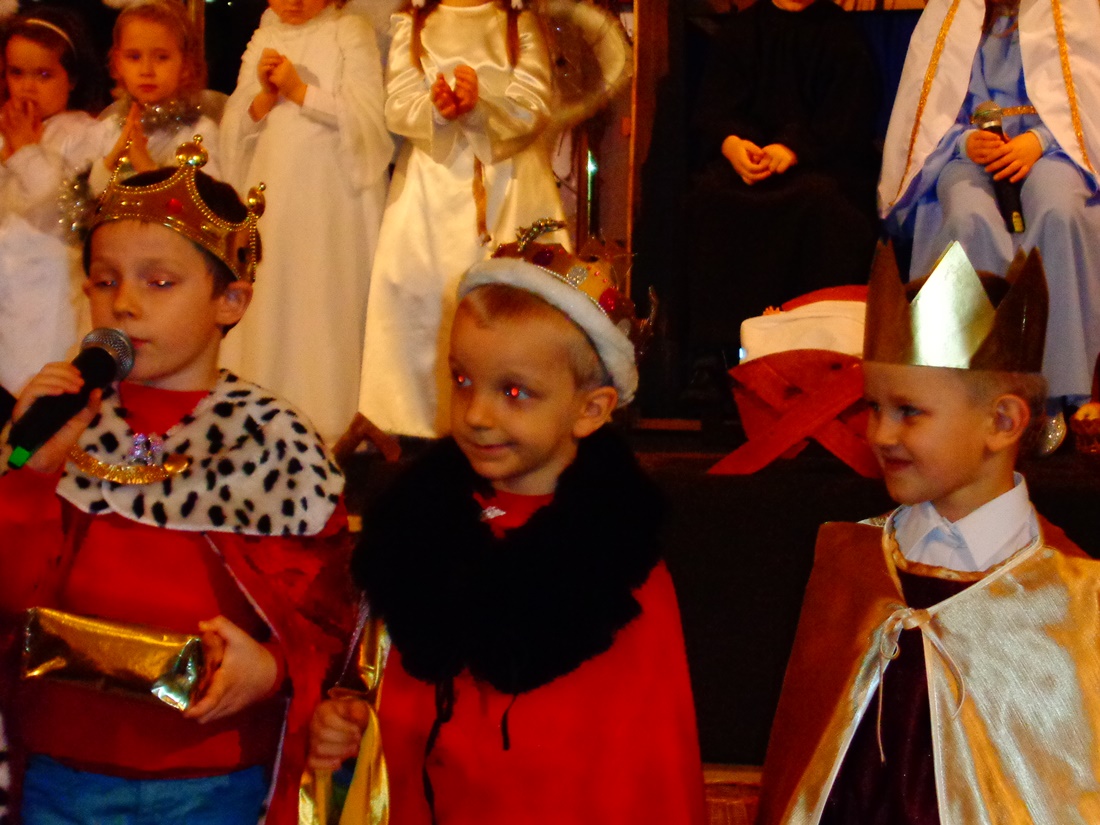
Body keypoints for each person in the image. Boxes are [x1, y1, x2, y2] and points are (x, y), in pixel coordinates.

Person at [0, 141, 356, 825]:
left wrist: (273, 667)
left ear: (231, 299)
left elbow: (327, 615)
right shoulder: (64, 421)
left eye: (159, 282)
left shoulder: (272, 440)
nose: (125, 304)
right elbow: (13, 598)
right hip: (62, 768)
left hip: (213, 778)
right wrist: (29, 474)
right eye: (104, 280)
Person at [309, 220, 706, 824]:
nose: (476, 414)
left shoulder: (613, 572)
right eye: (462, 380)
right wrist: (358, 727)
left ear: (590, 409)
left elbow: (646, 769)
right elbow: (399, 703)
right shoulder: (419, 540)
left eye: (514, 392)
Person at [754, 241, 1100, 823]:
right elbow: (801, 773)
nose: (880, 434)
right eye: (873, 407)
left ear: (1002, 421)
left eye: (909, 411)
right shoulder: (850, 563)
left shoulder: (1075, 599)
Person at [355, 0, 568, 440]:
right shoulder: (413, 24)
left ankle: (515, 412)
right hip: (430, 187)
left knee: (510, 302)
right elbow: (398, 104)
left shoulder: (518, 24)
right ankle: (414, 421)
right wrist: (438, 108)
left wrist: (479, 108)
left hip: (509, 183)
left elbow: (533, 103)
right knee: (421, 293)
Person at [879, 0, 1100, 404]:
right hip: (969, 154)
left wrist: (1040, 140)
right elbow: (930, 116)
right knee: (968, 218)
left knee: (1058, 210)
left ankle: (1053, 389)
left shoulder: (1078, 10)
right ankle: (969, 383)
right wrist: (966, 142)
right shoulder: (950, 15)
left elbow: (1089, 102)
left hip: (1054, 149)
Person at [219, 0, 392, 446]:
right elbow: (235, 125)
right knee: (273, 292)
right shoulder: (265, 35)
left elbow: (368, 119)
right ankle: (262, 408)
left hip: (331, 200)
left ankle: (329, 415)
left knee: (322, 292)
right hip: (273, 195)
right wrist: (263, 98)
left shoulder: (349, 32)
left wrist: (300, 92)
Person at [685, 0, 878, 357]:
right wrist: (732, 144)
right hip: (746, 168)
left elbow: (848, 117)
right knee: (710, 197)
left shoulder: (841, 36)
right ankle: (715, 354)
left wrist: (794, 148)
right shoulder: (741, 32)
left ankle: (816, 350)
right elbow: (713, 109)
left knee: (826, 206)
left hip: (819, 166)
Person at [0, 7, 105, 404]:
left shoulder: (85, 136)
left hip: (50, 297)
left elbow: (61, 212)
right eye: (17, 73)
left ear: (72, 78)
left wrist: (26, 153)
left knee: (42, 396)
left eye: (44, 75)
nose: (28, 87)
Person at [89, 0, 221, 195]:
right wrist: (110, 161)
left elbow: (204, 204)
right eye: (134, 57)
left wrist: (146, 167)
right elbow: (87, 204)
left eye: (161, 57)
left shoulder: (199, 135)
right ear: (118, 62)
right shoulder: (106, 130)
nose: (146, 70)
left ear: (186, 64)